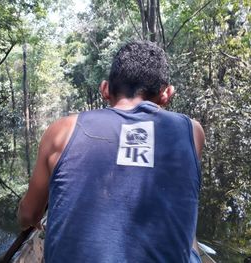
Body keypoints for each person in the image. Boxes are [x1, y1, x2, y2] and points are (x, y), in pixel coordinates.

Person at [18, 40, 205, 262]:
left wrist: (26, 215)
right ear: (167, 94)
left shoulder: (61, 131)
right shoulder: (192, 132)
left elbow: (28, 215)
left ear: (105, 89)